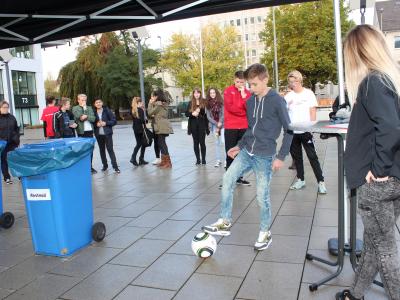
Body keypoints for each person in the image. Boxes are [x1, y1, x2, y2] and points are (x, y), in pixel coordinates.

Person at [336, 24, 400, 300]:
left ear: (357, 52)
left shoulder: (373, 82)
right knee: (376, 243)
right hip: (393, 178)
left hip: (377, 180)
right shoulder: (389, 81)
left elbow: (390, 127)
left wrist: (379, 168)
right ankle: (357, 293)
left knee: (385, 247)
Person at [202, 63, 293, 251]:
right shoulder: (251, 101)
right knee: (227, 178)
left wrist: (281, 156)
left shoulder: (277, 101)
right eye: (248, 85)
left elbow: (289, 130)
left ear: (265, 79)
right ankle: (225, 220)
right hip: (246, 152)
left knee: (262, 196)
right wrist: (238, 146)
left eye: (253, 84)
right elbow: (250, 129)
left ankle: (265, 232)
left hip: (265, 156)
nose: (250, 88)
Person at [285, 70, 327, 194]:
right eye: (291, 82)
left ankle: (321, 182)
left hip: (306, 131)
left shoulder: (308, 94)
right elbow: (283, 113)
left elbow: (313, 111)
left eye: (296, 81)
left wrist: (312, 128)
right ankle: (300, 180)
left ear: (300, 81)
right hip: (292, 131)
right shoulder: (288, 97)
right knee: (297, 158)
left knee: (312, 157)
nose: (294, 84)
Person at [223, 70, 252, 185]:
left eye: (242, 82)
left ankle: (239, 177)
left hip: (244, 126)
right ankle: (229, 178)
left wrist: (244, 97)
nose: (240, 84)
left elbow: (249, 108)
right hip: (231, 126)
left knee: (241, 153)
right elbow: (231, 109)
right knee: (230, 151)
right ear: (234, 80)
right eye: (238, 82)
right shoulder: (228, 91)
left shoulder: (248, 93)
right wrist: (243, 111)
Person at [72, 94, 97, 174]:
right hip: (81, 132)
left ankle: (90, 166)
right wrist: (85, 111)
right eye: (82, 100)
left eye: (85, 100)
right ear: (78, 100)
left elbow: (93, 119)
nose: (84, 102)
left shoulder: (89, 108)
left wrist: (86, 115)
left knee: (90, 150)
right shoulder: (75, 108)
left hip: (90, 131)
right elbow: (80, 117)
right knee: (82, 150)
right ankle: (83, 167)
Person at [147, 89, 173, 169]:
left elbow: (150, 113)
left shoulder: (158, 104)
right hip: (162, 125)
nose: (152, 97)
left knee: (162, 144)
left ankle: (168, 162)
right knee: (161, 143)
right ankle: (164, 161)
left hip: (161, 126)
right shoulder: (163, 103)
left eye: (154, 96)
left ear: (157, 96)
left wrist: (150, 104)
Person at [93, 98, 120, 173]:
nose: (98, 104)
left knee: (110, 149)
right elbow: (92, 123)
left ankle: (115, 167)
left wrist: (106, 123)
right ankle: (105, 165)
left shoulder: (107, 110)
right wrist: (96, 124)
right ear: (94, 104)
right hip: (99, 135)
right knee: (102, 150)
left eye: (99, 102)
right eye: (96, 102)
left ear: (102, 103)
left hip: (107, 134)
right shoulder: (93, 112)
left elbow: (114, 121)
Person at [186, 88, 209, 165]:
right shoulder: (190, 103)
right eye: (195, 93)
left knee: (202, 142)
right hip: (193, 125)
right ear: (193, 94)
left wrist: (199, 110)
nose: (197, 94)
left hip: (202, 124)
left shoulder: (204, 102)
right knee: (195, 142)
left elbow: (205, 113)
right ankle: (198, 159)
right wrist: (192, 113)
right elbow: (186, 114)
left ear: (200, 93)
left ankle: (203, 159)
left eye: (198, 93)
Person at [0, 101, 19, 184]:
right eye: (4, 107)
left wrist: (16, 138)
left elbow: (16, 129)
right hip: (2, 143)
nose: (6, 109)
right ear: (0, 108)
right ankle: (7, 177)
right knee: (4, 160)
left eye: (7, 107)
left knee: (15, 159)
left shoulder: (12, 117)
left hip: (12, 142)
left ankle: (19, 175)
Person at [206, 87, 225, 168]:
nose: (212, 94)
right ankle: (218, 160)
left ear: (216, 93)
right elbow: (208, 116)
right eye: (211, 93)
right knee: (217, 143)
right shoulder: (208, 104)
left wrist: (220, 122)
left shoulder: (221, 102)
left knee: (224, 143)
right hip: (214, 126)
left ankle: (226, 160)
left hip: (223, 125)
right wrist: (216, 123)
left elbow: (224, 114)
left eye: (214, 92)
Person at [130, 97, 148, 166]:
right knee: (141, 144)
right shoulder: (140, 110)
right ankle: (134, 158)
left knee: (140, 144)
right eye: (141, 102)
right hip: (141, 129)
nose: (142, 103)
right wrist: (146, 120)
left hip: (135, 129)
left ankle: (139, 159)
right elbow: (143, 121)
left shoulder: (133, 110)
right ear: (138, 103)